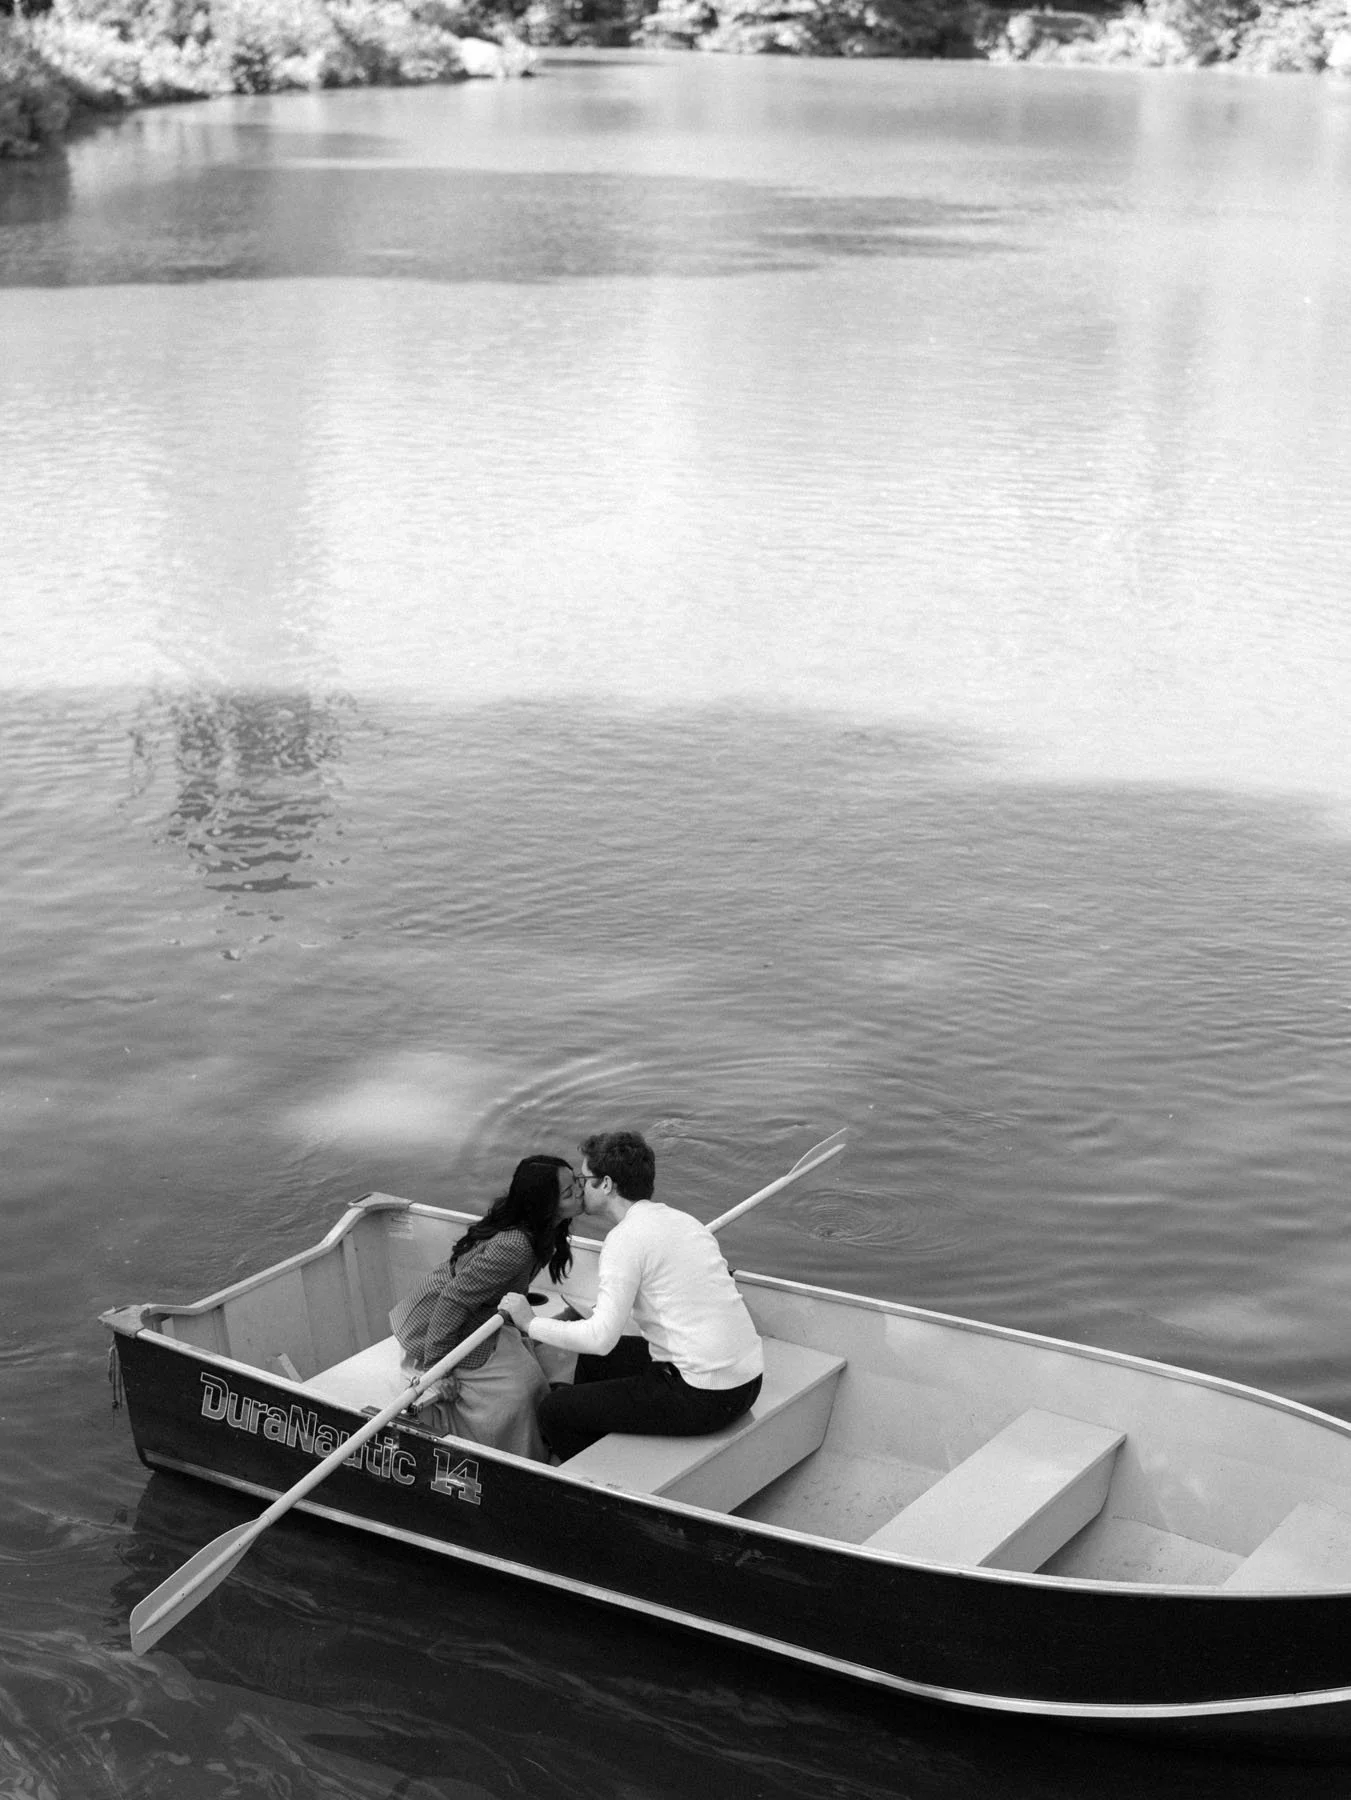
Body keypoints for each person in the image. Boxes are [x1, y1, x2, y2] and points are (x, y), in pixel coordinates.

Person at [499, 1130, 763, 1461]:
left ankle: (593, 1478)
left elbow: (600, 1338)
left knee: (554, 1411)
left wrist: (529, 1323)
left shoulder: (625, 1239)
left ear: (606, 1184)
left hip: (704, 1396)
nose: (581, 1188)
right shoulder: (683, 1221)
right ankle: (594, 1432)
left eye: (585, 1179)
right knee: (596, 1362)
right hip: (749, 1381)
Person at [390, 1153, 584, 1461]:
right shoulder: (515, 1245)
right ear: (546, 1204)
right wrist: (438, 1367)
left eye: (577, 1183)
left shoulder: (547, 1228)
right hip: (440, 1321)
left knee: (544, 1364)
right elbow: (454, 1299)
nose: (581, 1191)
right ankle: (521, 1457)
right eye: (569, 1191)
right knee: (522, 1390)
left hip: (484, 1313)